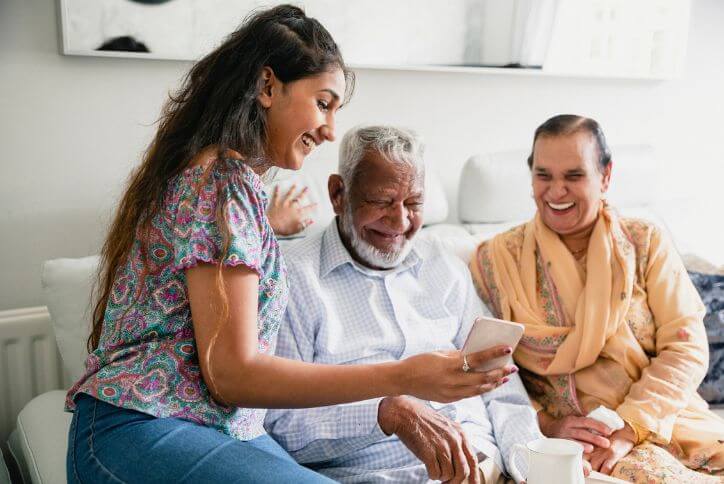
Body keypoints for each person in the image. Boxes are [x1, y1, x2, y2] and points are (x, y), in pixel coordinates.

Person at [65, 6, 504, 483]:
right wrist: (402, 377)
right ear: (268, 87)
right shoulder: (219, 182)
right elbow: (231, 374)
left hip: (217, 427)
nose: (331, 129)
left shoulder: (234, 187)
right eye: (324, 103)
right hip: (143, 426)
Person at [265, 125, 545, 484]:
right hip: (374, 475)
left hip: (484, 469)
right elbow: (280, 424)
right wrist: (385, 412)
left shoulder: (446, 266)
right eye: (382, 202)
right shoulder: (291, 277)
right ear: (338, 194)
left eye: (413, 203)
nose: (400, 221)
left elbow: (501, 389)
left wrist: (534, 463)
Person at [470, 114, 724, 483]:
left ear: (605, 177)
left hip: (665, 417)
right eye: (544, 176)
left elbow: (685, 347)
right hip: (579, 443)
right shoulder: (494, 261)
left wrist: (629, 427)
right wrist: (546, 424)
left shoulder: (644, 242)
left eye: (574, 176)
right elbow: (483, 371)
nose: (556, 191)